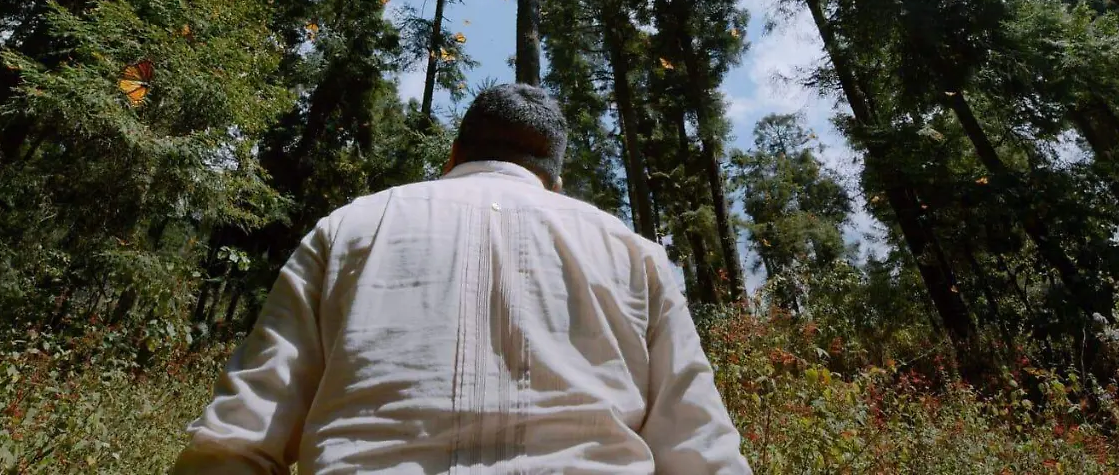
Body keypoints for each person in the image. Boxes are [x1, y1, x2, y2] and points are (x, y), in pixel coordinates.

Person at [172, 83, 750, 474]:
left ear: (452, 155)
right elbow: (702, 451)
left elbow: (237, 438)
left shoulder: (348, 229)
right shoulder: (632, 253)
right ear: (556, 177)